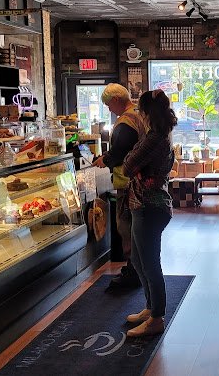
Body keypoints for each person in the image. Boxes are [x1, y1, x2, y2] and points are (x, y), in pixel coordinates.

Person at [122, 89, 176, 337]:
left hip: (149, 206)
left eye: (140, 110)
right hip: (145, 204)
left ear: (147, 113)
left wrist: (132, 160)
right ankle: (150, 307)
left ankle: (156, 317)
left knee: (150, 263)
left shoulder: (154, 138)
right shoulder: (158, 135)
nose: (139, 114)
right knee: (138, 259)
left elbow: (127, 166)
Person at [92, 83, 146, 289]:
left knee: (126, 228)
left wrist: (104, 160)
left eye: (108, 104)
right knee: (137, 230)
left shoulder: (125, 122)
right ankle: (137, 270)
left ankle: (133, 272)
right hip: (141, 182)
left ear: (116, 100)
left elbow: (120, 151)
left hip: (128, 183)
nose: (109, 109)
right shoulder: (139, 115)